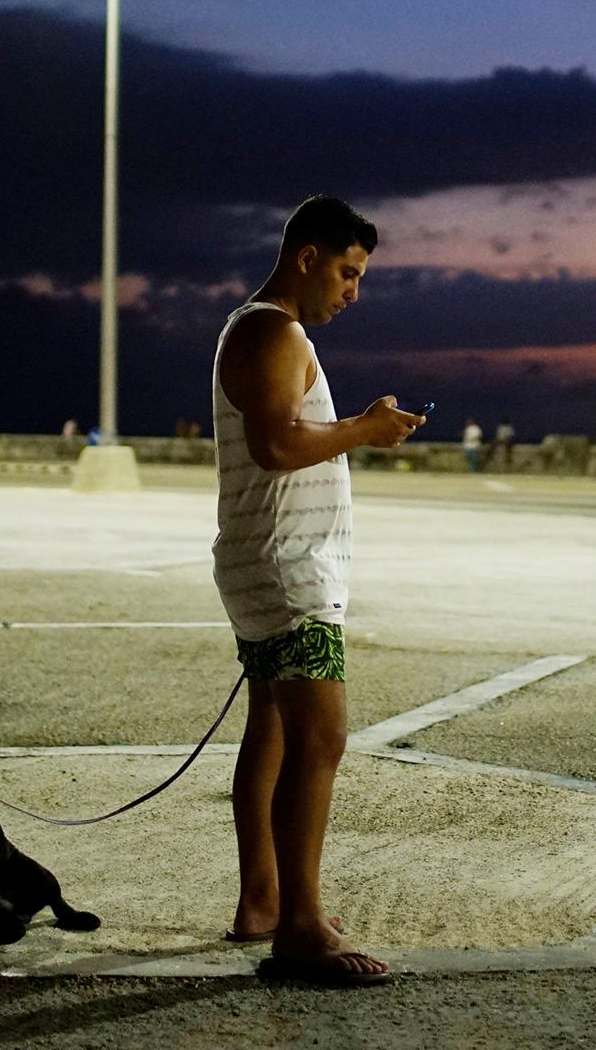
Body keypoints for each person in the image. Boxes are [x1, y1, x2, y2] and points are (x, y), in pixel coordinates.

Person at [212, 194, 422, 984]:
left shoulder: (260, 327)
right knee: (321, 739)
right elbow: (273, 443)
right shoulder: (272, 329)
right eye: (346, 272)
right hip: (287, 567)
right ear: (306, 257)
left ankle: (265, 901)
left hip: (269, 560)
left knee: (272, 724)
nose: (352, 291)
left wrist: (362, 430)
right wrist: (365, 431)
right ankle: (299, 927)